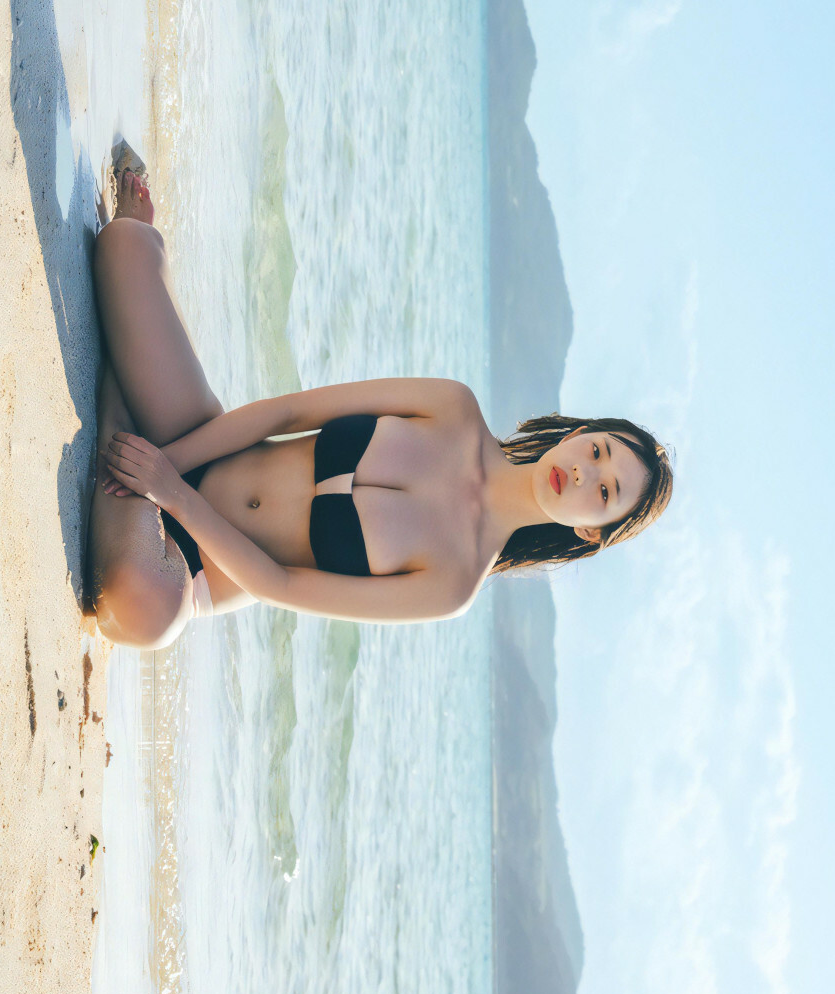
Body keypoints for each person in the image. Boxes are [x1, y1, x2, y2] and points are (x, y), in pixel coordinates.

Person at [86, 167, 673, 648]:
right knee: (123, 246)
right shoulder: (454, 408)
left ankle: (120, 420)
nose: (585, 472)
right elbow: (288, 414)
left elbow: (281, 584)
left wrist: (173, 494)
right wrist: (171, 461)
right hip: (199, 444)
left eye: (605, 493)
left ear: (588, 532)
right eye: (599, 451)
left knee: (144, 614)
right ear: (578, 433)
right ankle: (131, 441)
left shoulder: (454, 584)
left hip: (188, 565)